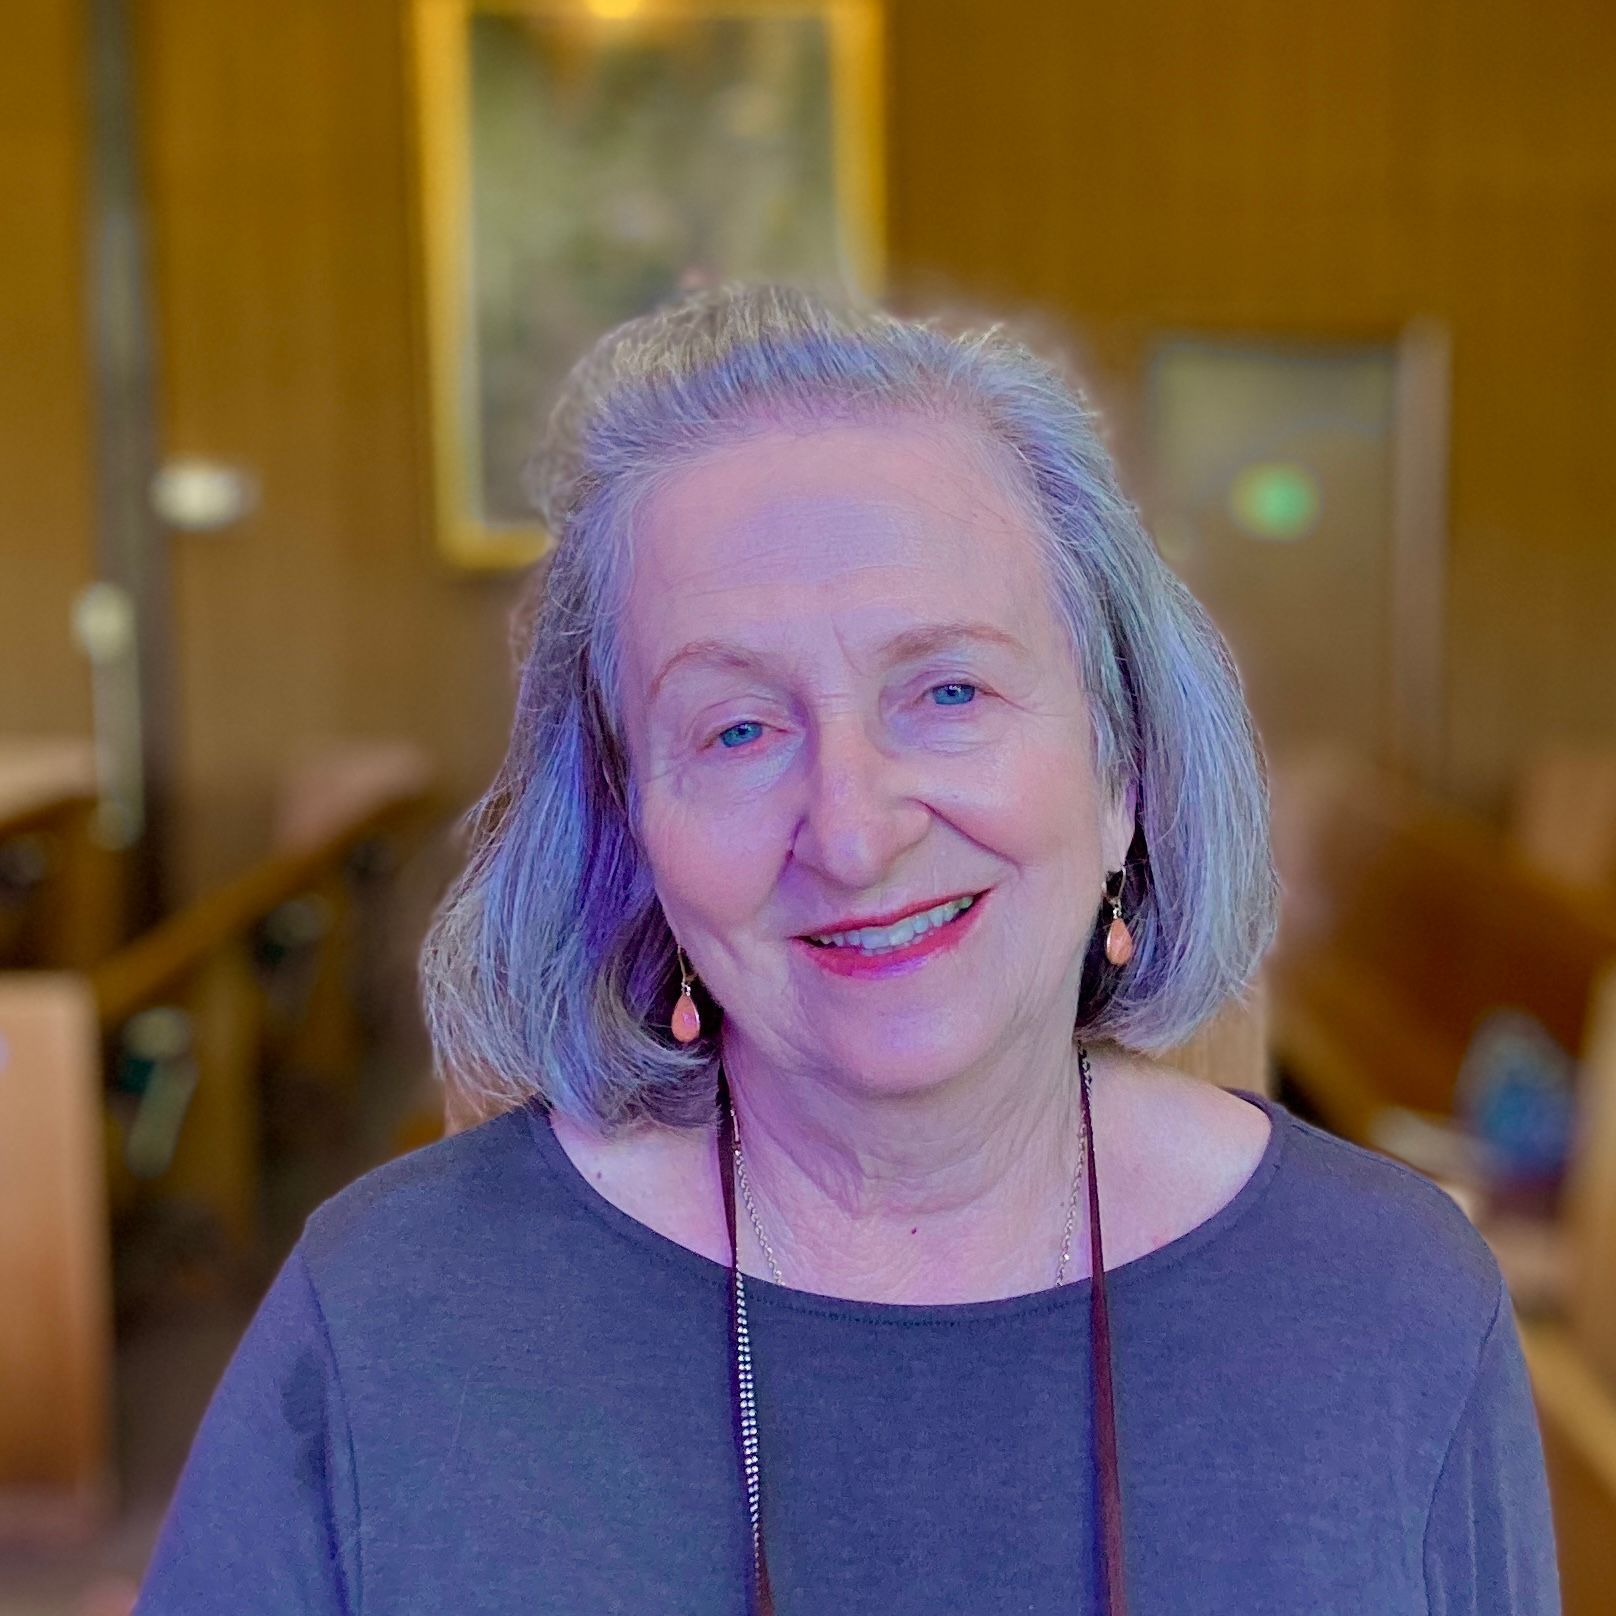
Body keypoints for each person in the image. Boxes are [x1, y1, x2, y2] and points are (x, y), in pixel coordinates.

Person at [134, 282, 1560, 1614]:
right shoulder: (389, 1322)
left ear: (1122, 765)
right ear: (629, 828)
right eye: (738, 728)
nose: (855, 830)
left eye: (946, 689)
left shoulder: (1397, 1309)